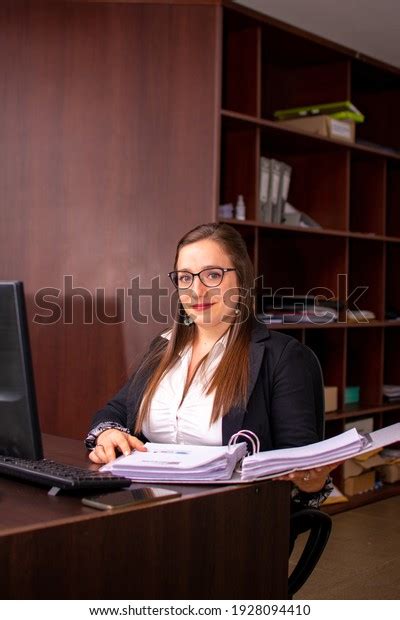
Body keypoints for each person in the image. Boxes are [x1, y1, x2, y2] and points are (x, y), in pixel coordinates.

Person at [85, 222, 337, 503]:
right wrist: (108, 433)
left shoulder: (283, 358)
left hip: (233, 519)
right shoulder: (163, 347)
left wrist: (310, 479)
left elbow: (304, 473)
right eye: (185, 278)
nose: (197, 291)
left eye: (213, 275)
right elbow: (114, 411)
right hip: (149, 507)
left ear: (241, 278)